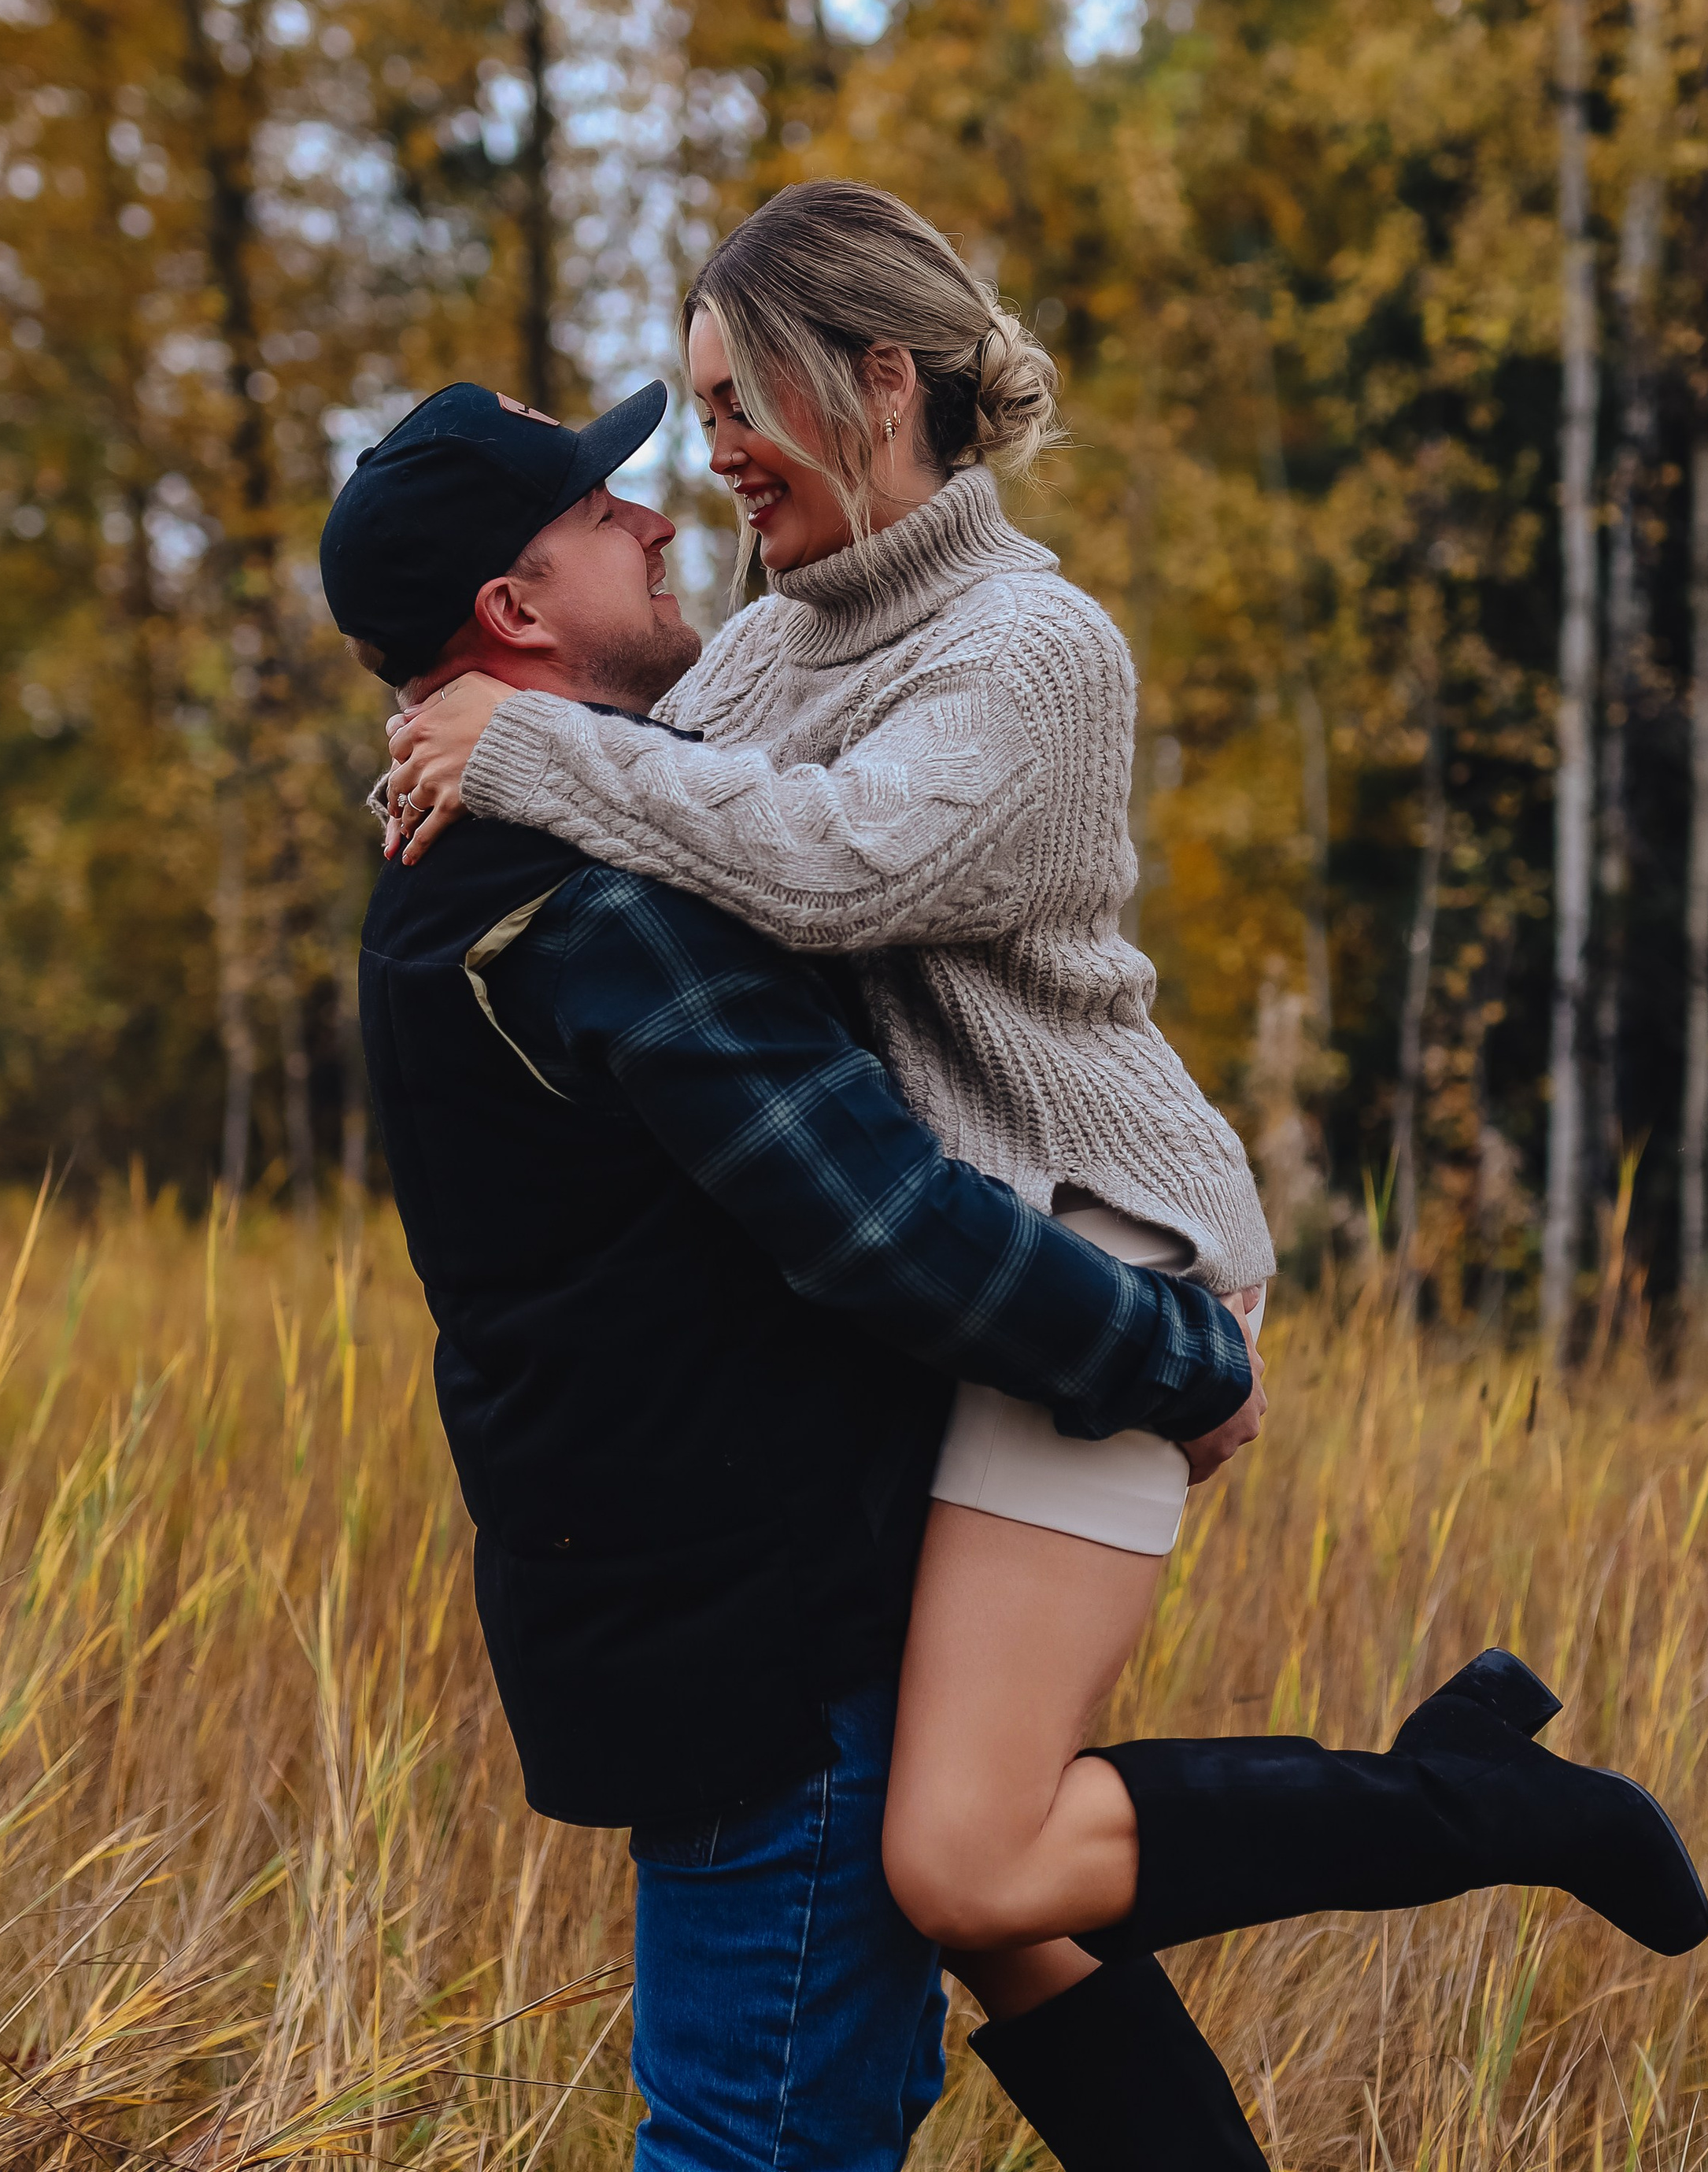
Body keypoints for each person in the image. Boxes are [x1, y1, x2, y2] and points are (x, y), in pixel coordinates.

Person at [383, 187, 1708, 2143]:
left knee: (968, 1858)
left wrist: (494, 739)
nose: (708, 453)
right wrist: (436, 733)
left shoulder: (1035, 644)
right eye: (694, 408)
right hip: (949, 1269)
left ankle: (1480, 1805)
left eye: (737, 400)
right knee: (997, 1908)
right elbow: (609, 776)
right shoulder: (765, 645)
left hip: (1099, 1250)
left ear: (880, 378)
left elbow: (837, 861)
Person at [322, 376, 1275, 2172]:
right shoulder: (598, 909)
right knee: (757, 2135)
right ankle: (1471, 1800)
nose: (658, 514)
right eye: (603, 511)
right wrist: (1175, 1357)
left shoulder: (470, 863)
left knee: (961, 1946)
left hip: (659, 1603)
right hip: (768, 1620)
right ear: (515, 612)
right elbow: (882, 1224)